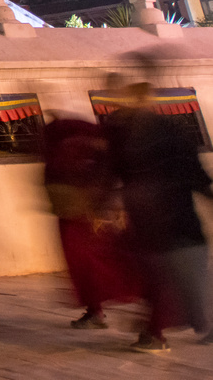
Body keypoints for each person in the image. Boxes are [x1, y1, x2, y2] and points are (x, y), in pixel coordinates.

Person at [106, 81, 213, 352]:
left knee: (164, 282)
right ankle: (155, 332)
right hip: (175, 220)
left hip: (155, 222)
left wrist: (107, 202)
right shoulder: (169, 131)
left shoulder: (126, 134)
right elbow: (196, 175)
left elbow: (113, 173)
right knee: (183, 280)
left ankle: (154, 333)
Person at [43, 115, 137, 328]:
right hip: (82, 211)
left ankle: (100, 309)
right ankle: (96, 309)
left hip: (83, 213)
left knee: (91, 263)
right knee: (93, 262)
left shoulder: (79, 149)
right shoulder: (91, 148)